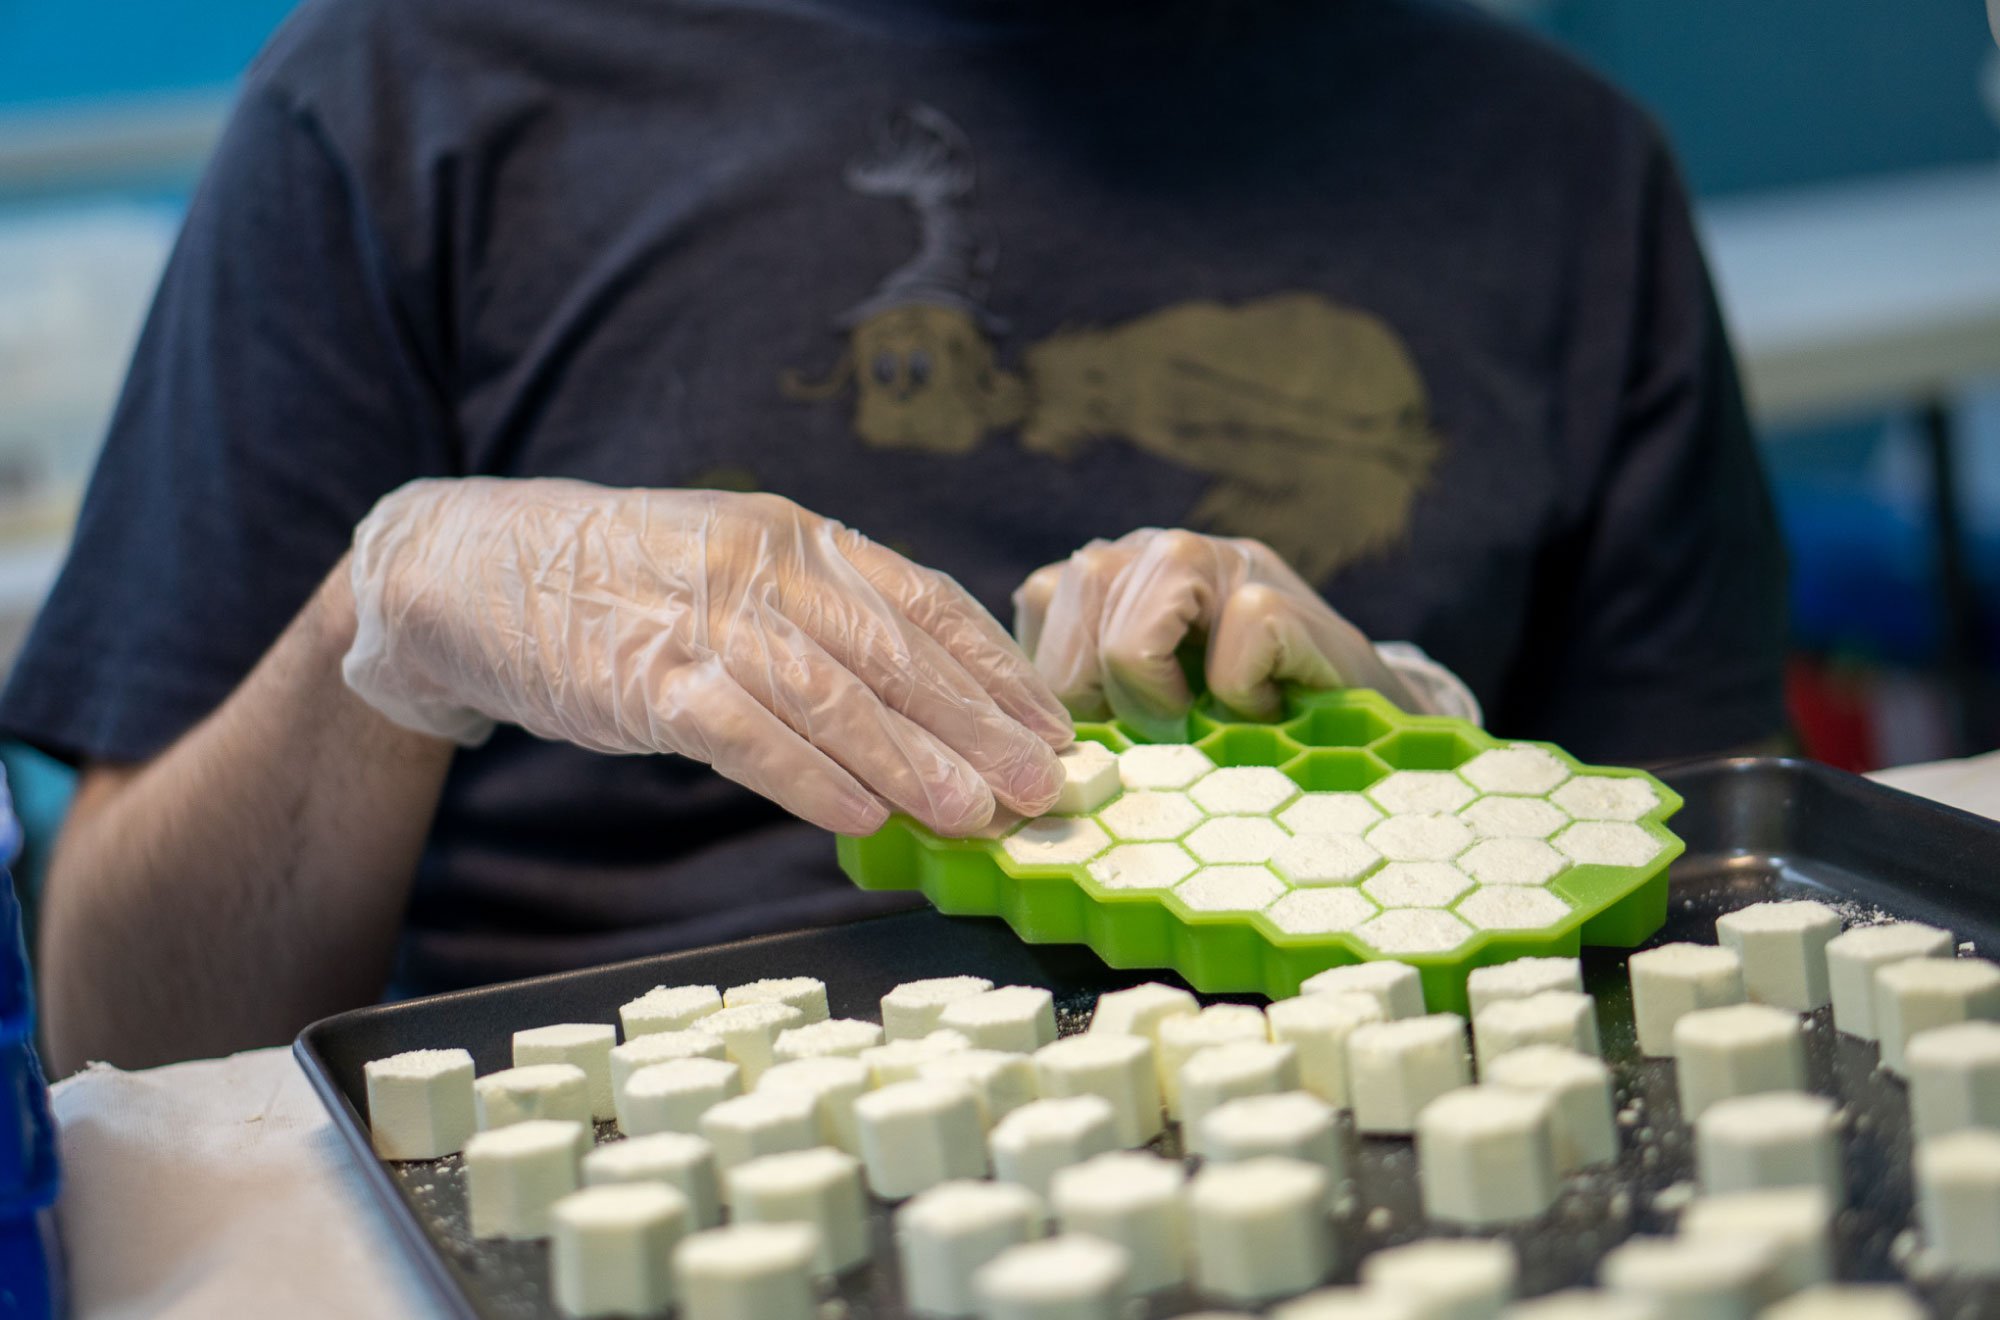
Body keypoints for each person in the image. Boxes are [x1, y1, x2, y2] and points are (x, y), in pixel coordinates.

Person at [3, 0, 1785, 1075]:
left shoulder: (1560, 170)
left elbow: (1737, 927)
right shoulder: (405, 96)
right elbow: (118, 1041)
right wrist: (378, 640)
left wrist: (1419, 767)